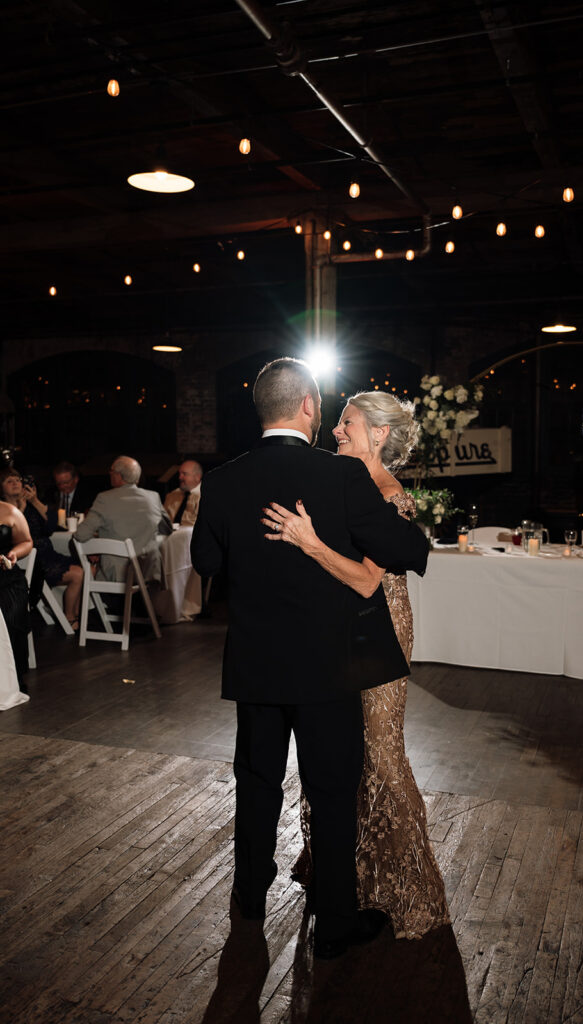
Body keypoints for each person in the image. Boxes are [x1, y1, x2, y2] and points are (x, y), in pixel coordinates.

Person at [191, 358, 429, 961]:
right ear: (307, 406)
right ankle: (337, 924)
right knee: (332, 788)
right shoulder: (341, 478)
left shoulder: (222, 482)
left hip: (256, 665)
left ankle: (249, 896)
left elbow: (206, 566)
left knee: (257, 781)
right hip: (329, 668)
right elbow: (408, 549)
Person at [262, 391, 450, 940]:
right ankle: (355, 876)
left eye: (348, 423)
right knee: (346, 754)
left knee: (383, 752)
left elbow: (368, 579)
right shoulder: (340, 482)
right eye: (339, 421)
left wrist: (310, 542)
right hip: (337, 631)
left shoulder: (390, 498)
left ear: (379, 435)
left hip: (380, 632)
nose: (337, 430)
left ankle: (411, 886)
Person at [0, 468, 84, 631]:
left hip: (48, 554)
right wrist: (21, 510)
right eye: (9, 481)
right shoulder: (5, 512)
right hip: (31, 560)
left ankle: (72, 615)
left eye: (17, 480)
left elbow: (54, 526)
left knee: (86, 568)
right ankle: (70, 618)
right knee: (78, 573)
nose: (15, 483)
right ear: (2, 488)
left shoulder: (31, 506)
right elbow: (13, 539)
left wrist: (35, 501)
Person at [74, 456, 171, 583]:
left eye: (111, 471)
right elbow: (167, 529)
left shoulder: (105, 499)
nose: (110, 474)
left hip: (117, 576)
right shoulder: (153, 497)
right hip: (149, 572)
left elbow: (80, 535)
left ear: (119, 476)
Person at [0, 488, 33, 691]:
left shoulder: (9, 511)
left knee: (11, 616)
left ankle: (14, 677)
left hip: (6, 576)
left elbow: (26, 542)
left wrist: (13, 554)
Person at [164, 460, 203, 526]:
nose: (180, 477)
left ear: (197, 477)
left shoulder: (206, 496)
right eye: (179, 474)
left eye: (184, 474)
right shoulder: (173, 495)